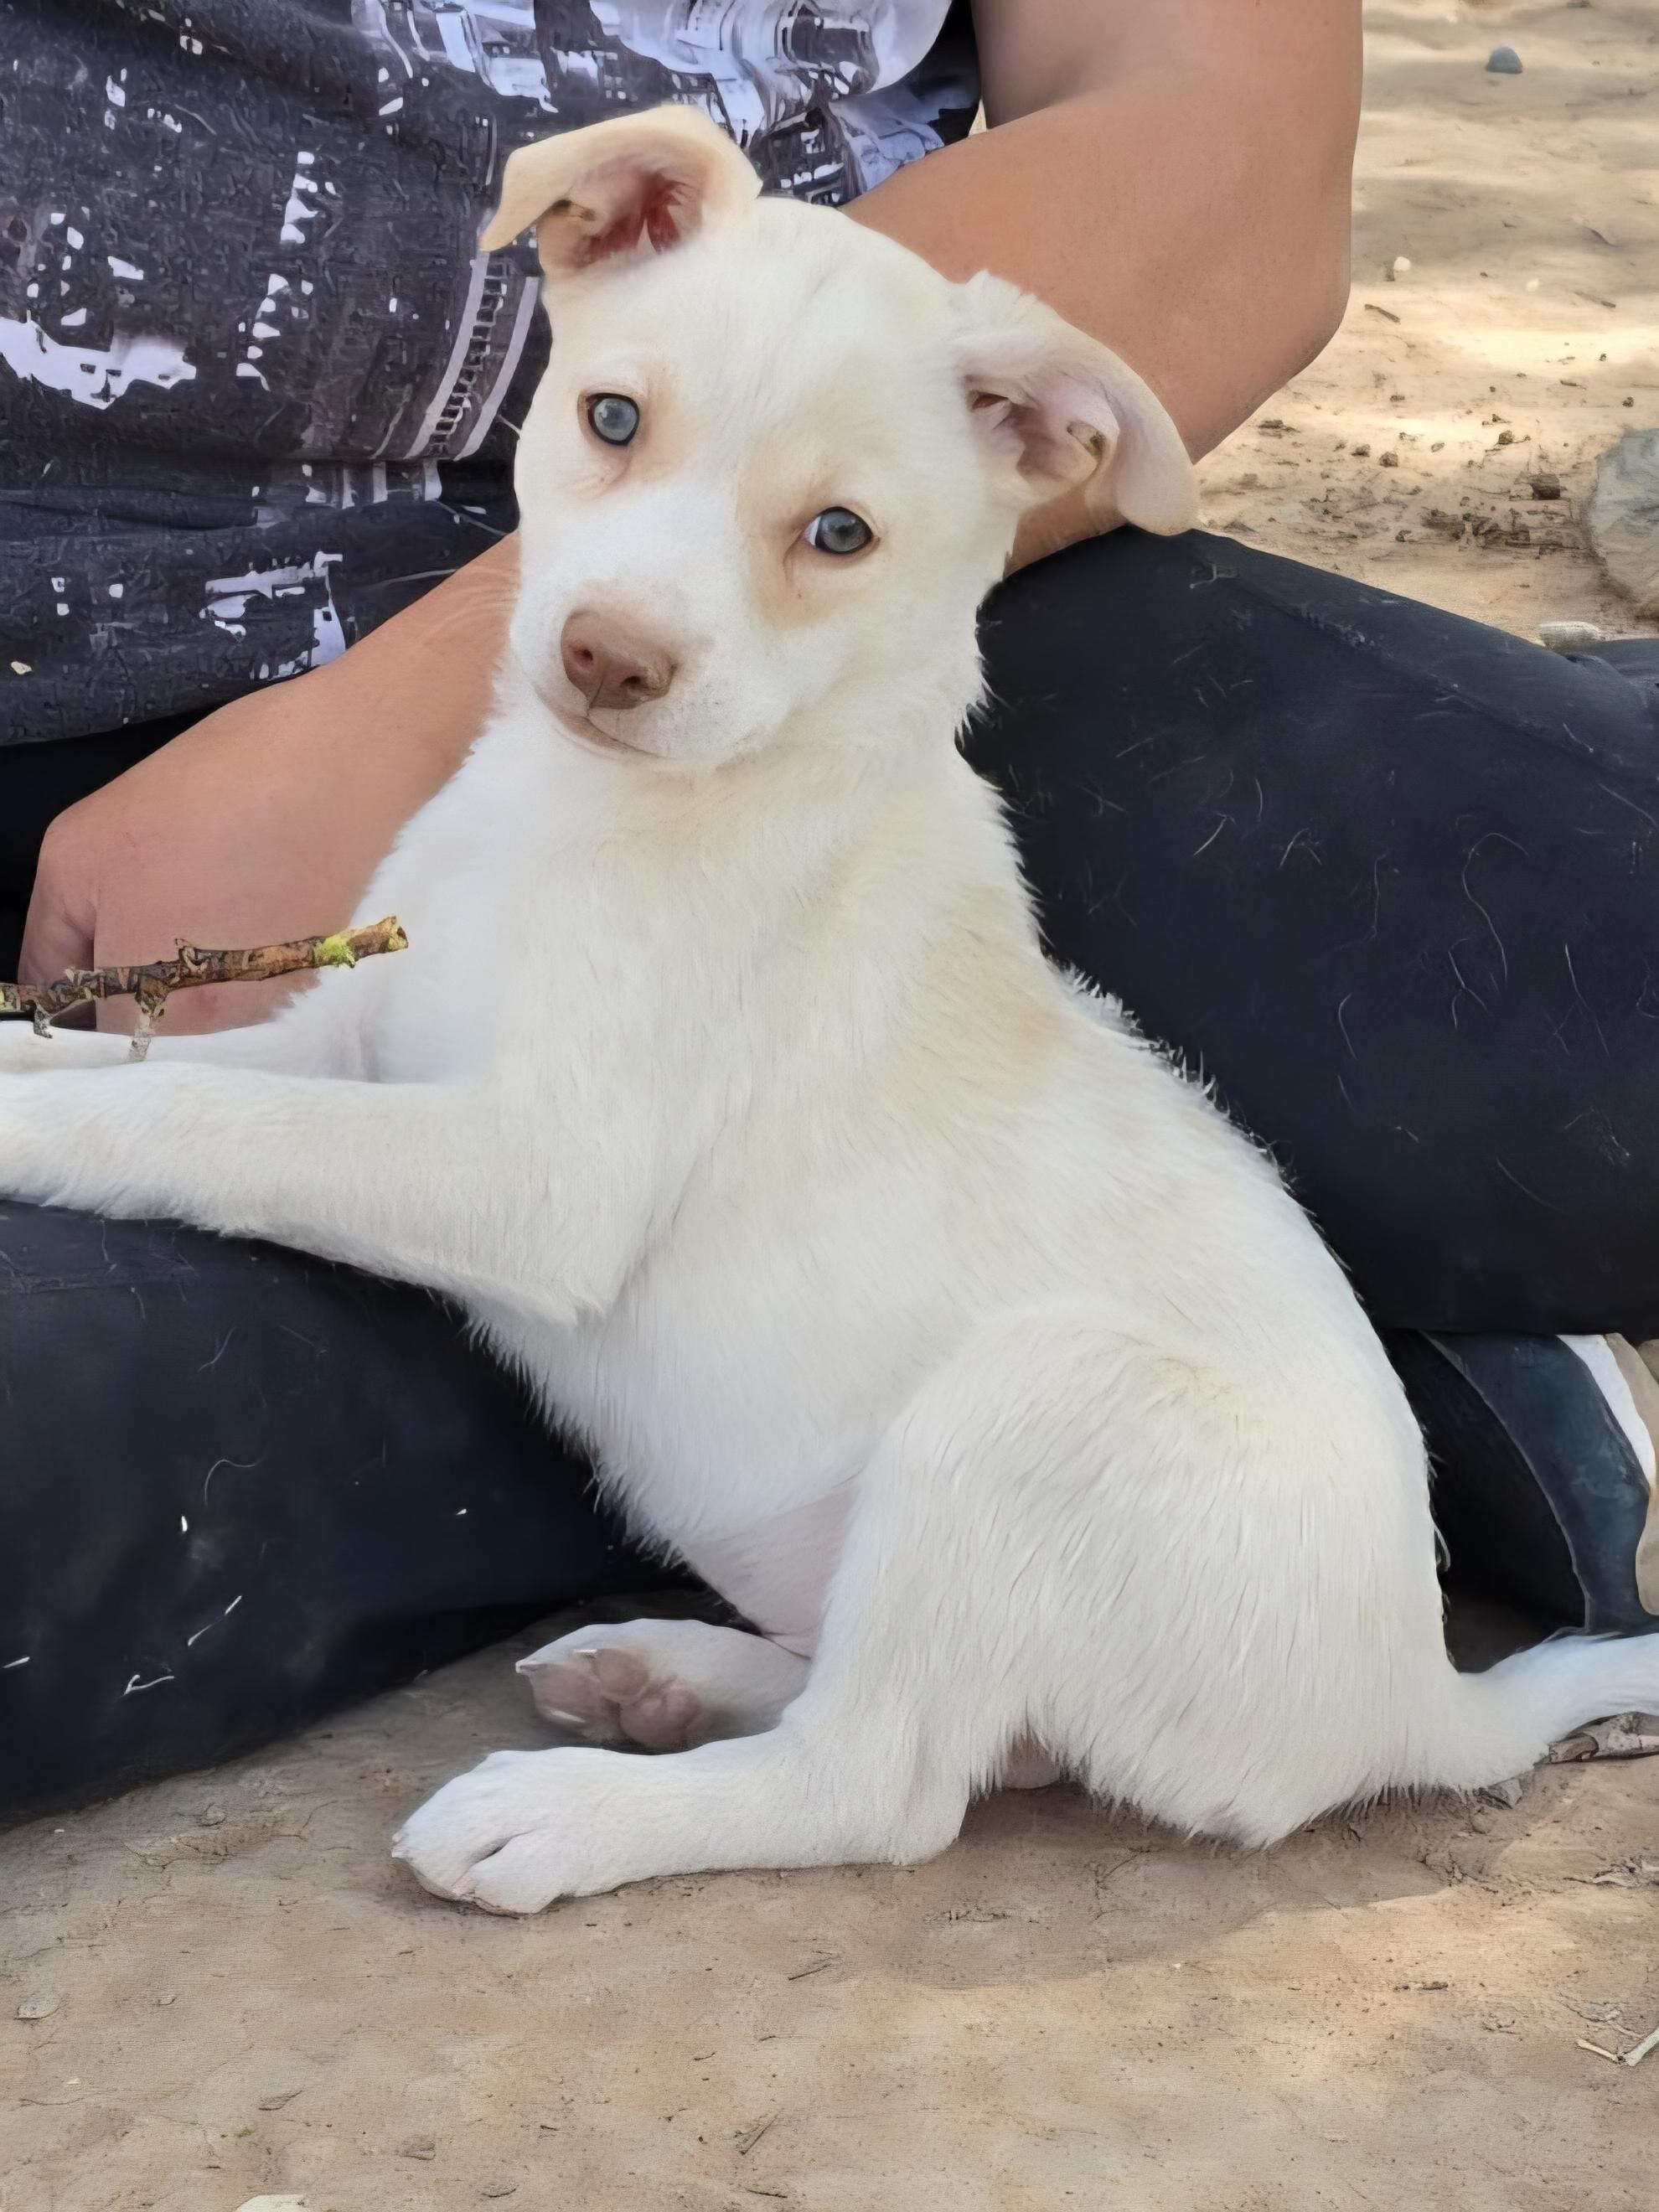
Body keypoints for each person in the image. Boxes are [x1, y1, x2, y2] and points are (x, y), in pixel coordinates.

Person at [2, 0, 1655, 1823]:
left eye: (830, 529)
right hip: (103, 670)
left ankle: (894, 1710)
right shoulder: (584, 678)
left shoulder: (780, 627)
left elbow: (530, 1203)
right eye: (614, 425)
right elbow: (364, 1058)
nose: (644, 609)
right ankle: (1034, 1556)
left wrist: (354, 748)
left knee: (1581, 965)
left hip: (853, 762)